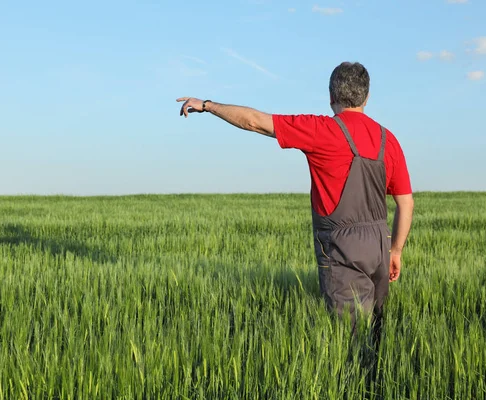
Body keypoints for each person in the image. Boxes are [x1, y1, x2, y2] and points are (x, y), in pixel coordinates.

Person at [176, 61, 414, 334]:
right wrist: (395, 250)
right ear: (367, 96)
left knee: (350, 339)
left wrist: (208, 105)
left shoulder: (322, 129)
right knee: (376, 330)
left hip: (342, 247)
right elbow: (405, 203)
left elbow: (255, 121)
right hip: (380, 245)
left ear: (331, 96)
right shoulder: (388, 139)